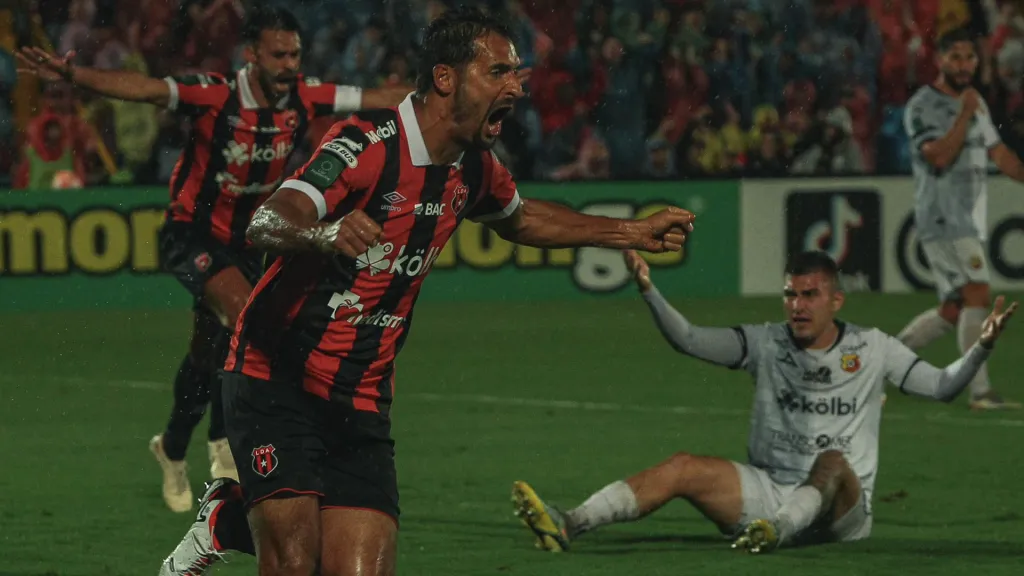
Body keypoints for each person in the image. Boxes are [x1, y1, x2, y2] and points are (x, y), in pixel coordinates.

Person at [154, 6, 695, 576]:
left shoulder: (476, 167)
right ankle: (229, 520)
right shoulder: (365, 144)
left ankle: (226, 520)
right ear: (446, 78)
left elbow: (523, 219)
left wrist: (631, 230)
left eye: (516, 73)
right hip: (276, 377)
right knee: (294, 564)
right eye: (499, 72)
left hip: (360, 395)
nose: (516, 85)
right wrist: (327, 232)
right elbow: (266, 222)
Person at [16, 7, 411, 513]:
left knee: (209, 351)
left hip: (254, 242)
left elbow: (383, 99)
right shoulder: (215, 94)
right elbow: (145, 88)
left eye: (295, 53)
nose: (291, 63)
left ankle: (173, 445)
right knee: (250, 319)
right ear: (252, 55)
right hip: (194, 233)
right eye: (279, 53)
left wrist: (455, 97)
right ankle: (228, 443)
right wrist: (75, 74)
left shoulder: (306, 97)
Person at [511, 250, 1017, 554]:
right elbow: (688, 339)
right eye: (790, 295)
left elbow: (946, 386)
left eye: (809, 295)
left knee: (834, 461)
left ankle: (777, 532)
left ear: (835, 300)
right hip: (770, 492)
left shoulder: (874, 347)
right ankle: (570, 522)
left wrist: (982, 348)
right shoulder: (764, 342)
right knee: (685, 466)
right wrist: (649, 290)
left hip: (841, 513)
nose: (797, 305)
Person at [897, 27, 1024, 411]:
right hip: (941, 214)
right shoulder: (923, 105)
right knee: (978, 293)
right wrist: (964, 112)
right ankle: (980, 391)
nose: (964, 65)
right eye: (955, 57)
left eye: (970, 57)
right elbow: (937, 156)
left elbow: (998, 153)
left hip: (966, 217)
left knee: (954, 309)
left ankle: (881, 363)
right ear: (939, 60)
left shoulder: (977, 102)